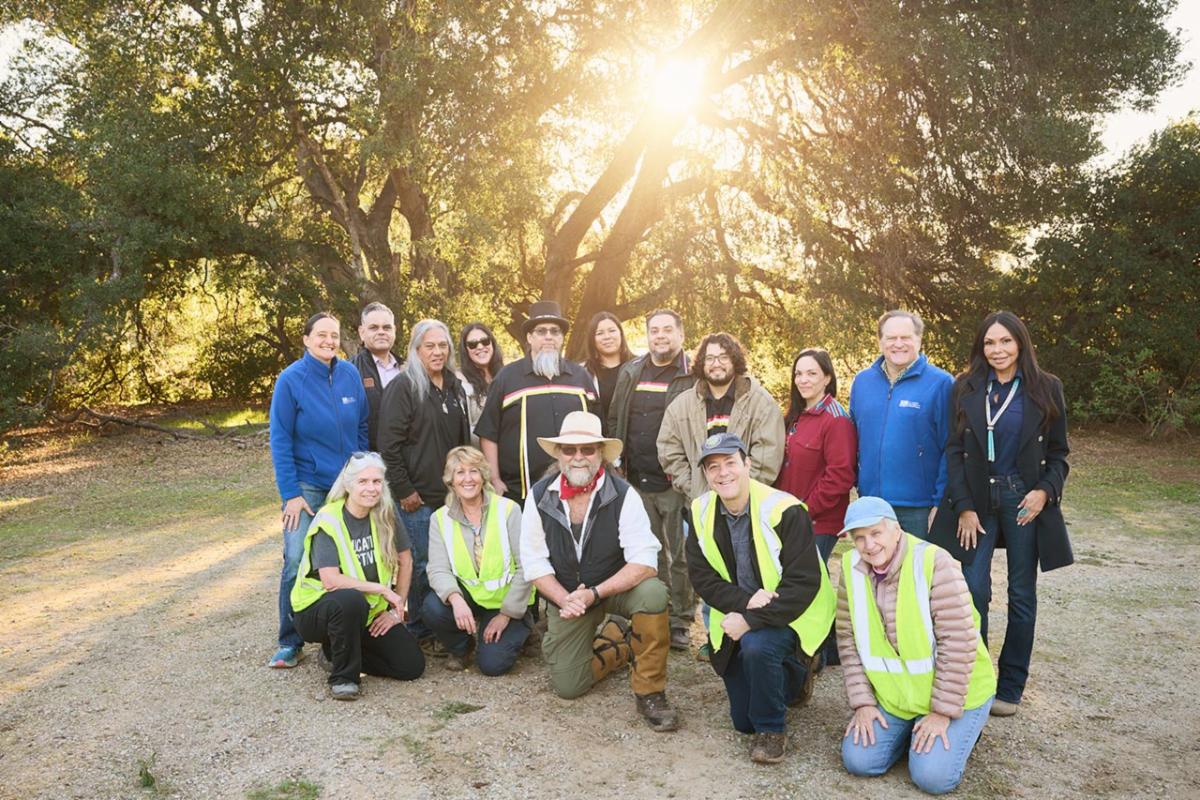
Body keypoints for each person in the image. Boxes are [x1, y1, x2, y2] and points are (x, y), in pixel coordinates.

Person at [928, 310, 1071, 718]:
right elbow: (954, 453)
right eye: (990, 343)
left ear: (1020, 344)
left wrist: (1045, 492)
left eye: (1005, 341)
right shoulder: (966, 387)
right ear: (981, 347)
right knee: (972, 590)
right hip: (976, 500)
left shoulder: (1047, 388)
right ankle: (977, 680)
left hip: (1023, 499)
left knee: (1021, 594)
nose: (997, 350)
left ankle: (1010, 687)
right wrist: (965, 507)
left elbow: (1059, 455)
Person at [520, 411, 679, 731]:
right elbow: (534, 561)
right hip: (568, 597)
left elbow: (645, 560)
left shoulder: (624, 495)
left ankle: (650, 691)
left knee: (653, 592)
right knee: (568, 687)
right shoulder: (538, 495)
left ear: (601, 454)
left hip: (613, 590)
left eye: (587, 449)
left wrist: (596, 593)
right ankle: (620, 641)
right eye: (570, 450)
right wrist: (565, 599)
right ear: (560, 455)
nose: (578, 457)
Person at [686, 433, 835, 764]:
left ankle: (772, 730)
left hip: (794, 610)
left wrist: (751, 620)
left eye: (730, 463)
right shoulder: (699, 511)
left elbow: (803, 583)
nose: (723, 473)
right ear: (706, 475)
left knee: (758, 646)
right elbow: (702, 578)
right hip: (744, 608)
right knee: (742, 722)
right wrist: (746, 603)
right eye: (713, 467)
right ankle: (788, 686)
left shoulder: (785, 509)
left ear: (747, 464)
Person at [837, 497, 996, 794]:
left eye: (876, 533)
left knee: (931, 777)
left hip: (959, 697)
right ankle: (914, 734)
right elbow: (848, 641)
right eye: (859, 538)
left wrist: (942, 713)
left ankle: (960, 730)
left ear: (896, 530)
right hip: (899, 698)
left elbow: (958, 643)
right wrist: (863, 703)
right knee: (859, 760)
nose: (869, 545)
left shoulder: (934, 562)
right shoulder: (850, 568)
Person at [267, 312, 368, 668]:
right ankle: (290, 640)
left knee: (345, 559)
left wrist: (360, 473)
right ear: (307, 339)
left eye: (334, 335)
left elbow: (363, 428)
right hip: (306, 487)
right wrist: (290, 493)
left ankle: (341, 633)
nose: (329, 341)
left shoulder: (350, 375)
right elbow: (279, 439)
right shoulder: (290, 380)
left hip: (345, 485)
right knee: (296, 558)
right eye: (321, 335)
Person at [290, 453, 425, 700]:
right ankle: (343, 678)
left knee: (411, 666)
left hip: (367, 612)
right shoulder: (329, 518)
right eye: (363, 481)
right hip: (316, 610)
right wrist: (382, 590)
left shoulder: (386, 514)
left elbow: (406, 560)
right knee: (351, 600)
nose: (371, 488)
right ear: (348, 484)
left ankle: (336, 652)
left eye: (376, 482)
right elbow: (330, 580)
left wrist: (395, 611)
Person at [377, 319, 470, 644]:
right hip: (417, 499)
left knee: (449, 562)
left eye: (442, 345)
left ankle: (443, 626)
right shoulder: (403, 387)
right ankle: (418, 628)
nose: (437, 351)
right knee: (418, 565)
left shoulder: (454, 387)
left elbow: (462, 441)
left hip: (451, 496)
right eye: (430, 346)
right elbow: (388, 445)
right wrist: (404, 490)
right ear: (416, 350)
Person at [608, 309, 696, 650]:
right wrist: (616, 462)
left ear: (680, 334)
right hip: (635, 479)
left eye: (667, 330)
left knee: (681, 554)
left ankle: (680, 620)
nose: (660, 336)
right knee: (648, 551)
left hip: (674, 481)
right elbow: (616, 416)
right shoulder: (632, 370)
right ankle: (656, 611)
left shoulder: (691, 375)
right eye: (654, 330)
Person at [775, 347, 857, 665]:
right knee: (805, 582)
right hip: (789, 516)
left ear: (827, 377)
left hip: (817, 520)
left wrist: (805, 510)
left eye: (811, 373)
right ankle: (828, 649)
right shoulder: (794, 416)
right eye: (799, 373)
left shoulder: (836, 420)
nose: (803, 379)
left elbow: (840, 475)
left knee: (808, 585)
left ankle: (816, 654)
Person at [423, 446, 534, 675]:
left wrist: (506, 615)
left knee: (492, 666)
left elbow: (527, 566)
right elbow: (437, 569)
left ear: (483, 476)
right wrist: (456, 599)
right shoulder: (439, 518)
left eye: (473, 471)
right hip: (469, 599)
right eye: (459, 472)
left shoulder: (509, 510)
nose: (467, 479)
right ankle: (462, 647)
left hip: (505, 603)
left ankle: (522, 626)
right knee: (432, 607)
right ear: (450, 480)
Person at [476, 300, 597, 501]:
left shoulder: (581, 377)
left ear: (561, 338)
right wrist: (495, 478)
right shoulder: (507, 378)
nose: (549, 336)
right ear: (529, 337)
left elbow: (597, 430)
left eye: (555, 331)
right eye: (541, 331)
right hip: (521, 492)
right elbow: (489, 432)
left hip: (577, 489)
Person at [849, 310, 953, 539]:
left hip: (918, 508)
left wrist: (940, 503)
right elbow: (852, 439)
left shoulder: (941, 383)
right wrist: (859, 484)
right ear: (880, 341)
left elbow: (951, 447)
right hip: (872, 504)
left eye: (905, 338)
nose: (898, 344)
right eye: (891, 338)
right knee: (875, 573)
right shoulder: (862, 382)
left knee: (917, 573)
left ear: (919, 340)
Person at [658, 331, 785, 503]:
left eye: (723, 357)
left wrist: (736, 493)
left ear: (734, 360)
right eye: (710, 358)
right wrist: (693, 487)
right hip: (700, 505)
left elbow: (766, 459)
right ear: (702, 364)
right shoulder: (681, 406)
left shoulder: (761, 403)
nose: (716, 364)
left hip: (746, 506)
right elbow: (668, 451)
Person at [350, 302, 403, 451]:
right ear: (362, 332)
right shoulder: (349, 371)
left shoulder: (408, 370)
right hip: (369, 463)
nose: (381, 332)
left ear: (394, 331)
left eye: (387, 327)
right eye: (374, 327)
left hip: (407, 462)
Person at [582, 310, 634, 430]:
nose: (607, 337)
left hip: (632, 442)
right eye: (600, 333)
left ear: (621, 333)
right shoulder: (583, 373)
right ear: (592, 339)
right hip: (596, 442)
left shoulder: (639, 367)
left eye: (612, 331)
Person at [457, 322, 504, 446]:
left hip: (507, 452)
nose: (480, 346)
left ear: (492, 343)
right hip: (476, 456)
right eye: (472, 344)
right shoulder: (460, 381)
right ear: (465, 350)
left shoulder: (506, 375)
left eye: (485, 341)